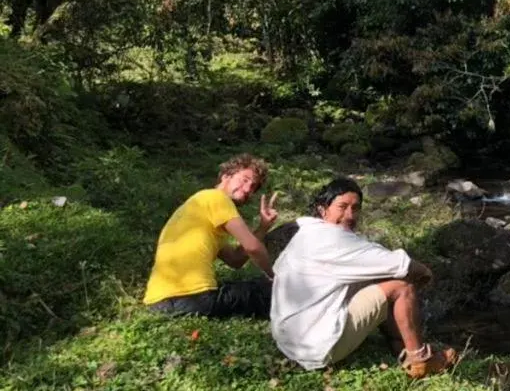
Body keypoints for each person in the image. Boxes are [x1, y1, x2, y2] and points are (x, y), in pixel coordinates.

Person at [270, 177, 457, 378]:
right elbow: (404, 265)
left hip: (288, 340)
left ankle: (399, 343)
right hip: (317, 348)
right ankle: (420, 361)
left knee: (378, 278)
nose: (350, 215)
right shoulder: (336, 239)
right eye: (342, 207)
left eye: (355, 208)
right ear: (323, 209)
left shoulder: (306, 232)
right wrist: (426, 275)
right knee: (401, 286)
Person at [143, 154, 279, 318]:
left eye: (253, 186)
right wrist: (274, 276)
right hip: (192, 298)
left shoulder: (200, 206)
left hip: (158, 303)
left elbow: (235, 260)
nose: (247, 189)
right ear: (226, 176)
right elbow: (253, 247)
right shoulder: (216, 198)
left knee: (239, 289)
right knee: (269, 290)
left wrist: (263, 227)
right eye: (244, 180)